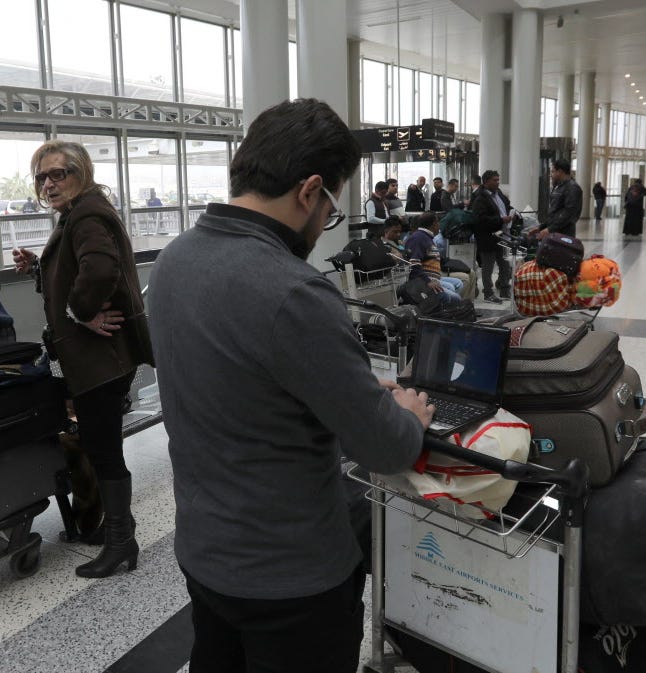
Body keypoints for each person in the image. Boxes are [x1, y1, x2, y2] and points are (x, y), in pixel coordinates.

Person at [147, 98, 432, 673]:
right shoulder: (292, 291)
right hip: (290, 577)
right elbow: (383, 447)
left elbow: (240, 385)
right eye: (328, 209)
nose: (323, 224)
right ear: (309, 191)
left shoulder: (172, 261)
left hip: (205, 551)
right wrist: (407, 415)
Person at [12, 140, 153, 578]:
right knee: (99, 444)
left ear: (82, 173)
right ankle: (115, 529)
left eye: (59, 173)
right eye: (42, 177)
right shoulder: (77, 214)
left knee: (104, 449)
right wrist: (40, 266)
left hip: (100, 361)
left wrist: (81, 312)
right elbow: (77, 269)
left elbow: (101, 268)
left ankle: (120, 542)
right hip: (96, 361)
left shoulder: (87, 213)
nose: (49, 183)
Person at [471, 169, 512, 303]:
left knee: (505, 264)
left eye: (498, 180)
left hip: (501, 236)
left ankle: (505, 290)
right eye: (495, 180)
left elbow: (506, 205)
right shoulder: (480, 197)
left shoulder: (498, 193)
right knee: (488, 267)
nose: (497, 182)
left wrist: (513, 213)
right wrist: (501, 220)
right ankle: (488, 293)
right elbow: (480, 220)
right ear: (486, 181)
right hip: (487, 238)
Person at [405, 211, 463, 303]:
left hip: (434, 277)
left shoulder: (427, 237)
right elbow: (413, 264)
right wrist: (428, 281)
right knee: (456, 298)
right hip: (424, 280)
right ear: (434, 224)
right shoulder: (418, 238)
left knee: (458, 283)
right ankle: (447, 310)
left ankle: (449, 309)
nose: (439, 226)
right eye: (438, 223)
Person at [536, 158, 583, 239]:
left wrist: (549, 229)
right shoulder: (559, 187)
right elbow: (555, 213)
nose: (551, 174)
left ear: (560, 172)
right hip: (555, 234)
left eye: (553, 171)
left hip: (564, 236)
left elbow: (568, 214)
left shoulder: (573, 188)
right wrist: (541, 227)